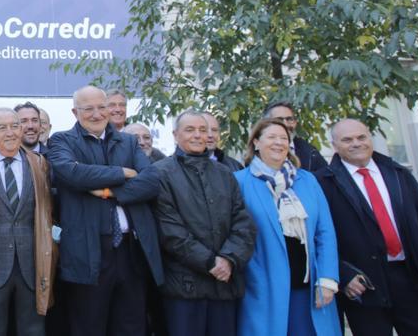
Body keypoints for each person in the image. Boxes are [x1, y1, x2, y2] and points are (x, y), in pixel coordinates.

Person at [47, 86, 164, 336]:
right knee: (89, 326)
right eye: (88, 108)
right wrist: (122, 173)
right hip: (89, 251)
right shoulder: (61, 140)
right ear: (75, 112)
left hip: (131, 251)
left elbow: (152, 181)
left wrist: (111, 192)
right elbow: (72, 173)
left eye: (102, 107)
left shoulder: (129, 141)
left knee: (131, 326)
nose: (96, 114)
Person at [315, 119, 418, 336]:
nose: (356, 143)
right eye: (347, 140)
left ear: (370, 138)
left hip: (413, 278)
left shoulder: (397, 173)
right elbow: (319, 237)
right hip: (363, 285)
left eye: (361, 137)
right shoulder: (323, 183)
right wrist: (343, 273)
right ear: (334, 145)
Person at [153, 111, 256, 335]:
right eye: (190, 130)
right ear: (175, 135)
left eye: (203, 130)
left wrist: (228, 259)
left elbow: (243, 222)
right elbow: (170, 231)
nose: (198, 135)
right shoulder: (160, 173)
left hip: (225, 283)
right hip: (184, 287)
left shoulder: (225, 173)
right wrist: (210, 262)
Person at [234, 119, 340, 336]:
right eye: (271, 137)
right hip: (264, 289)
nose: (279, 143)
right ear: (256, 142)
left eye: (284, 138)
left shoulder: (307, 180)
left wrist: (328, 279)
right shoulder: (239, 182)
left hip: (310, 288)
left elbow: (325, 232)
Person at [0, 108, 56, 336]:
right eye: (2, 128)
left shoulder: (39, 163)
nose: (11, 133)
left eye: (15, 126)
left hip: (33, 266)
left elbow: (47, 214)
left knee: (33, 331)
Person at [264, 102, 330, 172]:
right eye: (279, 120)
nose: (285, 124)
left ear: (295, 123)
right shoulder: (255, 151)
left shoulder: (310, 153)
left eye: (289, 119)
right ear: (266, 123)